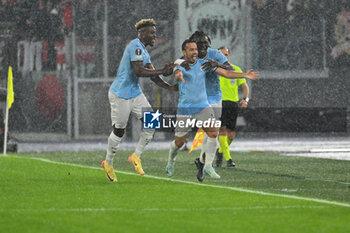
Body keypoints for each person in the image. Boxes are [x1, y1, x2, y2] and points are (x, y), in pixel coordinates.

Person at [166, 39, 258, 182]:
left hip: (203, 106)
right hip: (186, 108)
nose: (195, 52)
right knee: (179, 142)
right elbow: (177, 73)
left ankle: (208, 165)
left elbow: (226, 73)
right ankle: (171, 160)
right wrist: (179, 76)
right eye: (191, 49)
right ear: (184, 52)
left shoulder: (203, 64)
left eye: (195, 49)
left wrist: (245, 75)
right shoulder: (179, 63)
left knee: (213, 133)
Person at [102, 19, 176, 182]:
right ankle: (108, 163)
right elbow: (138, 71)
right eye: (151, 33)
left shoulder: (144, 51)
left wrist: (170, 87)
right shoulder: (135, 46)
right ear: (142, 33)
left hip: (135, 94)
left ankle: (136, 156)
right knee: (119, 131)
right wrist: (163, 70)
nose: (154, 36)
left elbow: (153, 76)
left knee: (152, 122)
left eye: (155, 32)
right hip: (120, 94)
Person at [215, 46, 249, 167]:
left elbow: (244, 86)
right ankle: (228, 160)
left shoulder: (235, 69)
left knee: (231, 135)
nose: (224, 57)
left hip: (233, 104)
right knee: (222, 131)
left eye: (226, 54)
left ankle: (219, 152)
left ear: (229, 56)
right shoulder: (215, 70)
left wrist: (245, 99)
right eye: (221, 55)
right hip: (220, 103)